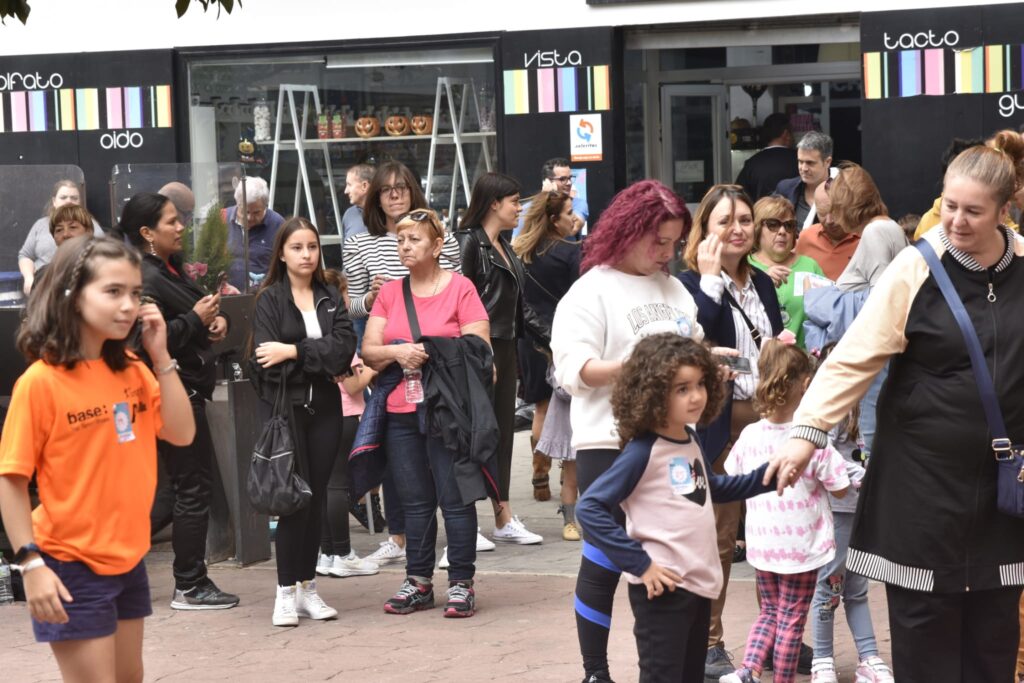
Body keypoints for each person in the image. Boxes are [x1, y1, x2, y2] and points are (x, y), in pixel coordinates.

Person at [765, 139, 1024, 682]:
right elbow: (852, 359)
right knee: (925, 642)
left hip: (1004, 492)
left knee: (994, 643)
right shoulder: (915, 267)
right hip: (922, 490)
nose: (956, 221)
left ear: (1006, 208)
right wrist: (806, 433)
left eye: (973, 211)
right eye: (949, 205)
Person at [0, 236, 195, 682]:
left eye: (135, 293)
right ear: (72, 295)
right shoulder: (40, 382)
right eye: (112, 291)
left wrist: (161, 355)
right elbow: (10, 480)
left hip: (128, 559)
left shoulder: (132, 368)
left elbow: (182, 434)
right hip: (68, 563)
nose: (128, 305)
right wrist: (30, 563)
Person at [550, 179, 704, 683]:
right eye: (658, 241)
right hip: (609, 444)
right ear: (627, 231)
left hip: (675, 444)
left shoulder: (675, 288)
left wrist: (709, 363)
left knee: (669, 557)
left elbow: (693, 350)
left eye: (674, 243)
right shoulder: (590, 290)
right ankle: (595, 672)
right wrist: (640, 368)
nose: (666, 253)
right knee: (603, 562)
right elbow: (574, 372)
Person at [576, 334, 777, 682]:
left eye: (700, 384)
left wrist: (769, 477)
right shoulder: (642, 451)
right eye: (682, 389)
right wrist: (640, 564)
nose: (696, 396)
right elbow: (590, 508)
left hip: (697, 586)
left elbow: (713, 489)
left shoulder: (689, 438)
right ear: (653, 393)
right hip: (662, 590)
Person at [677, 184, 786, 679]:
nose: (738, 229)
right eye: (725, 221)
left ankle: (779, 636)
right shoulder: (689, 283)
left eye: (745, 220)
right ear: (705, 229)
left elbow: (771, 343)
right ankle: (709, 642)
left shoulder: (761, 281)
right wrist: (709, 280)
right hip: (721, 425)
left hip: (769, 420)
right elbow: (695, 336)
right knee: (720, 537)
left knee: (776, 534)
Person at [361, 208, 491, 618]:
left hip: (447, 411)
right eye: (400, 240)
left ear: (436, 246)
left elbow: (481, 350)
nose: (405, 247)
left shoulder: (461, 288)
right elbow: (369, 351)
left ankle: (461, 583)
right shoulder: (389, 292)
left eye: (414, 239)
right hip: (400, 411)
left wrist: (431, 350)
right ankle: (418, 581)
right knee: (414, 501)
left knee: (455, 499)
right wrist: (398, 352)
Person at [342, 161, 470, 567]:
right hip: (387, 358)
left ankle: (455, 541)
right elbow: (352, 305)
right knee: (396, 450)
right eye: (386, 189)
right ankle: (398, 536)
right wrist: (373, 296)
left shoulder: (442, 239)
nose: (395, 194)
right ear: (375, 197)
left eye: (402, 187)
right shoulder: (360, 243)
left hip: (439, 362)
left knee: (444, 452)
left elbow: (458, 290)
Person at [117, 192, 239, 611]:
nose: (181, 226)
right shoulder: (144, 278)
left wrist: (214, 323)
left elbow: (187, 320)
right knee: (192, 487)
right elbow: (143, 341)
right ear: (147, 232)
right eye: (171, 221)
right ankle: (189, 582)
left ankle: (120, 562)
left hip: (185, 388)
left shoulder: (168, 269)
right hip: (172, 393)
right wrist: (195, 319)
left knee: (177, 489)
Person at [720, 339, 850, 683]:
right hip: (801, 545)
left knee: (769, 612)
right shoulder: (811, 440)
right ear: (806, 385)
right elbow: (840, 487)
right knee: (792, 619)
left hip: (763, 543)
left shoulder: (750, 434)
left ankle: (748, 670)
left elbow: (732, 475)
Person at [248, 217, 357, 627]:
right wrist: (318, 357)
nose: (307, 255)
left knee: (316, 499)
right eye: (297, 247)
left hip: (327, 408)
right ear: (281, 253)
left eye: (312, 246)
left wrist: (294, 351)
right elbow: (266, 361)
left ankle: (308, 588)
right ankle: (284, 592)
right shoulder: (269, 300)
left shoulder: (329, 296)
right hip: (285, 410)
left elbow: (343, 351)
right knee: (294, 500)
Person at [457, 172, 546, 546]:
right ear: (494, 203)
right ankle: (466, 522)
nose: (519, 209)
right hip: (478, 347)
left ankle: (503, 515)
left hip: (506, 347)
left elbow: (523, 309)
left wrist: (554, 342)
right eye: (513, 202)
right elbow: (458, 302)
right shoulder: (468, 243)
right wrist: (477, 350)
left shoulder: (505, 248)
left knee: (502, 433)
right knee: (473, 433)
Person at [808, 345, 894, 683]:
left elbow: (858, 454)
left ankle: (868, 655)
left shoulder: (858, 405)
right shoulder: (831, 408)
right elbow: (823, 454)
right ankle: (822, 659)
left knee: (856, 587)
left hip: (857, 507)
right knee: (829, 585)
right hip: (838, 508)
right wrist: (864, 477)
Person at [512, 190, 582, 538]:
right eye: (569, 213)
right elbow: (580, 295)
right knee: (567, 408)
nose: (575, 218)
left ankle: (540, 474)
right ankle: (565, 473)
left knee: (540, 406)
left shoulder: (521, 250)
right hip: (563, 337)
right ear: (554, 220)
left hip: (530, 337)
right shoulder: (571, 251)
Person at [315, 272, 380, 579]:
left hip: (323, 415)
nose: (347, 300)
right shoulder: (341, 337)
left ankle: (328, 553)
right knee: (338, 486)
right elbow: (354, 385)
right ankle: (343, 553)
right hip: (346, 415)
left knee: (326, 486)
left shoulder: (315, 332)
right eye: (343, 294)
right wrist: (372, 368)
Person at [747, 196, 825, 348]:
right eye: (773, 224)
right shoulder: (744, 266)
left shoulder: (809, 266)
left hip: (803, 358)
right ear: (757, 229)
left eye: (789, 225)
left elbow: (826, 314)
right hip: (757, 356)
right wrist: (762, 281)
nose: (782, 231)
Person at [18, 179, 104, 295]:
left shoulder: (91, 225)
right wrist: (29, 278)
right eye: (63, 197)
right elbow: (25, 255)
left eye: (74, 198)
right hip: (43, 284)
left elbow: (103, 255)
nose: (66, 234)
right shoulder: (40, 225)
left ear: (88, 232)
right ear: (54, 201)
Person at [226, 176, 286, 291]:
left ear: (265, 206)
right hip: (227, 295)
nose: (250, 217)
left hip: (265, 295)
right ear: (237, 204)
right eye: (245, 211)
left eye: (256, 212)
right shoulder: (222, 219)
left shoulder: (277, 224)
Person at [794, 181, 860, 281]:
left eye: (835, 212)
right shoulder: (806, 237)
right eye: (822, 213)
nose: (829, 221)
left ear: (849, 206)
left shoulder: (865, 239)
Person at [513, 157, 587, 238]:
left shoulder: (578, 204)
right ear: (547, 182)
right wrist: (547, 198)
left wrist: (553, 197)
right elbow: (517, 241)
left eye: (570, 178)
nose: (569, 183)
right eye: (563, 179)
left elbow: (572, 229)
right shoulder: (526, 209)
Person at [774, 132, 833, 231]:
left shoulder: (843, 192)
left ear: (827, 162)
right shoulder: (785, 189)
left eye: (810, 163)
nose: (804, 168)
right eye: (800, 162)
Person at [30, 205, 96, 287]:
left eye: (73, 227)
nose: (65, 234)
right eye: (59, 230)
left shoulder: (103, 268)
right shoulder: (44, 276)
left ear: (89, 232)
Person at [736, 113, 798, 201]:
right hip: (793, 209)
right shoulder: (799, 160)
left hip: (761, 210)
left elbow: (739, 196)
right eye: (792, 133)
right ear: (786, 134)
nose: (793, 138)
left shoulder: (751, 164)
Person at [342, 163, 374, 241]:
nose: (346, 191)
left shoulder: (386, 214)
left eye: (349, 185)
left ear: (364, 186)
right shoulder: (349, 214)